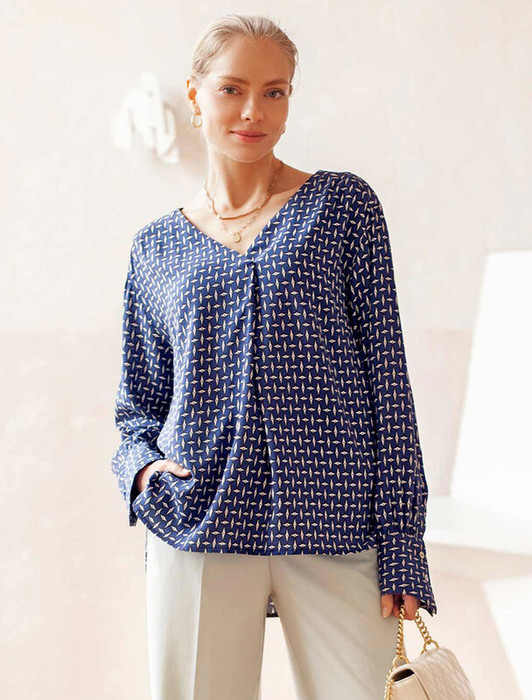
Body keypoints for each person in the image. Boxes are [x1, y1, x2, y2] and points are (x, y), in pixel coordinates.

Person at [110, 13, 437, 700]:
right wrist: (141, 472)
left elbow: (388, 384)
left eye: (275, 92)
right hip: (198, 520)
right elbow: (138, 404)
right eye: (232, 89)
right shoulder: (155, 248)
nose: (253, 111)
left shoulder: (343, 208)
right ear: (195, 95)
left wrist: (403, 542)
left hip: (338, 520)